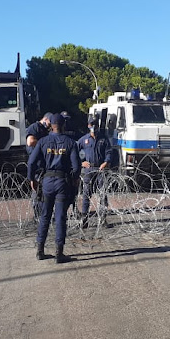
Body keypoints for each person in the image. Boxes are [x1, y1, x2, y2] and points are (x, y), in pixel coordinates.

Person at [27, 113, 81, 263]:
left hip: (46, 182)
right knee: (60, 217)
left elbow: (31, 162)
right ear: (64, 125)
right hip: (62, 182)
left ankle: (40, 250)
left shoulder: (43, 141)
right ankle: (59, 252)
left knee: (45, 215)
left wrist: (31, 179)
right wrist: (74, 180)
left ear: (50, 125)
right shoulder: (70, 143)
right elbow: (76, 167)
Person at [77, 115, 114, 230]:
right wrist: (81, 162)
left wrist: (106, 162)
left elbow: (109, 152)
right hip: (89, 170)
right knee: (86, 194)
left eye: (95, 124)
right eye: (91, 124)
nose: (94, 126)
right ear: (88, 126)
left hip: (100, 169)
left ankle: (102, 218)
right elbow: (74, 152)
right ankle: (84, 219)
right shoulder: (84, 139)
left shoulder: (103, 139)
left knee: (102, 194)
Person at [25, 113, 53, 219]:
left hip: (44, 164)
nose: (50, 126)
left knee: (45, 191)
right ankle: (38, 215)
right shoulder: (35, 127)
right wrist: (44, 143)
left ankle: (43, 213)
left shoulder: (46, 130)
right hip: (36, 165)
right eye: (49, 123)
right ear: (45, 119)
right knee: (37, 191)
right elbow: (30, 142)